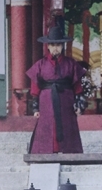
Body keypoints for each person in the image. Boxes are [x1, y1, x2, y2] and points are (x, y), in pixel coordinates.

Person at [26, 24, 87, 154]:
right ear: (48, 46)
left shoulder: (71, 63)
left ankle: (69, 151)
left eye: (58, 45)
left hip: (66, 100)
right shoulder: (40, 65)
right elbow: (35, 88)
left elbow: (77, 87)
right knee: (47, 125)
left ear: (62, 46)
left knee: (67, 125)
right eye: (52, 45)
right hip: (46, 101)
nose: (55, 48)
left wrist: (79, 105)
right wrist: (35, 108)